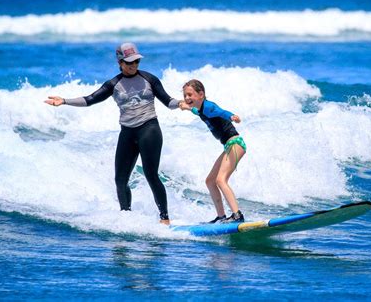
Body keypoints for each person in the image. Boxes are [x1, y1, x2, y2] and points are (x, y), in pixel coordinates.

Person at [45, 42, 181, 225]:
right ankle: (126, 216)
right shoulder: (113, 84)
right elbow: (90, 99)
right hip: (127, 133)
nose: (133, 66)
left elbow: (168, 101)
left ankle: (164, 218)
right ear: (120, 62)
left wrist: (180, 104)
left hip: (149, 129)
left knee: (151, 174)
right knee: (120, 179)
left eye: (136, 62)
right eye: (129, 62)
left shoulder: (150, 79)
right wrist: (64, 101)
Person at [179, 79, 246, 223]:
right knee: (210, 181)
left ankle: (237, 215)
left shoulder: (209, 106)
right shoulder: (201, 109)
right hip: (229, 146)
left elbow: (221, 112)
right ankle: (221, 216)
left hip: (235, 143)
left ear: (201, 94)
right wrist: (186, 107)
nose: (187, 98)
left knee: (221, 180)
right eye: (185, 95)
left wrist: (232, 116)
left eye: (190, 95)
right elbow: (197, 111)